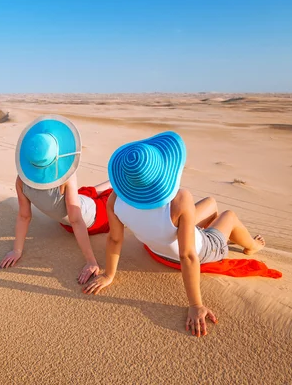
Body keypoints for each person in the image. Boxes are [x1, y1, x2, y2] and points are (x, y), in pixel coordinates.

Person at [82, 131, 265, 337]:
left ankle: (197, 229)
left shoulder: (115, 199)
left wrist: (109, 275)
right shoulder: (180, 199)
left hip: (156, 247)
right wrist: (196, 304)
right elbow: (188, 256)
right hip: (202, 252)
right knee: (229, 216)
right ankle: (252, 246)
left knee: (210, 203)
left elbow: (114, 239)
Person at [0, 115, 113, 284]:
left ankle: (113, 181)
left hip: (76, 204)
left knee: (89, 193)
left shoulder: (22, 180)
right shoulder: (67, 178)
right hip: (94, 216)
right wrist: (91, 261)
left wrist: (17, 250)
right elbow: (76, 220)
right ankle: (115, 182)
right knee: (114, 199)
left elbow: (24, 216)